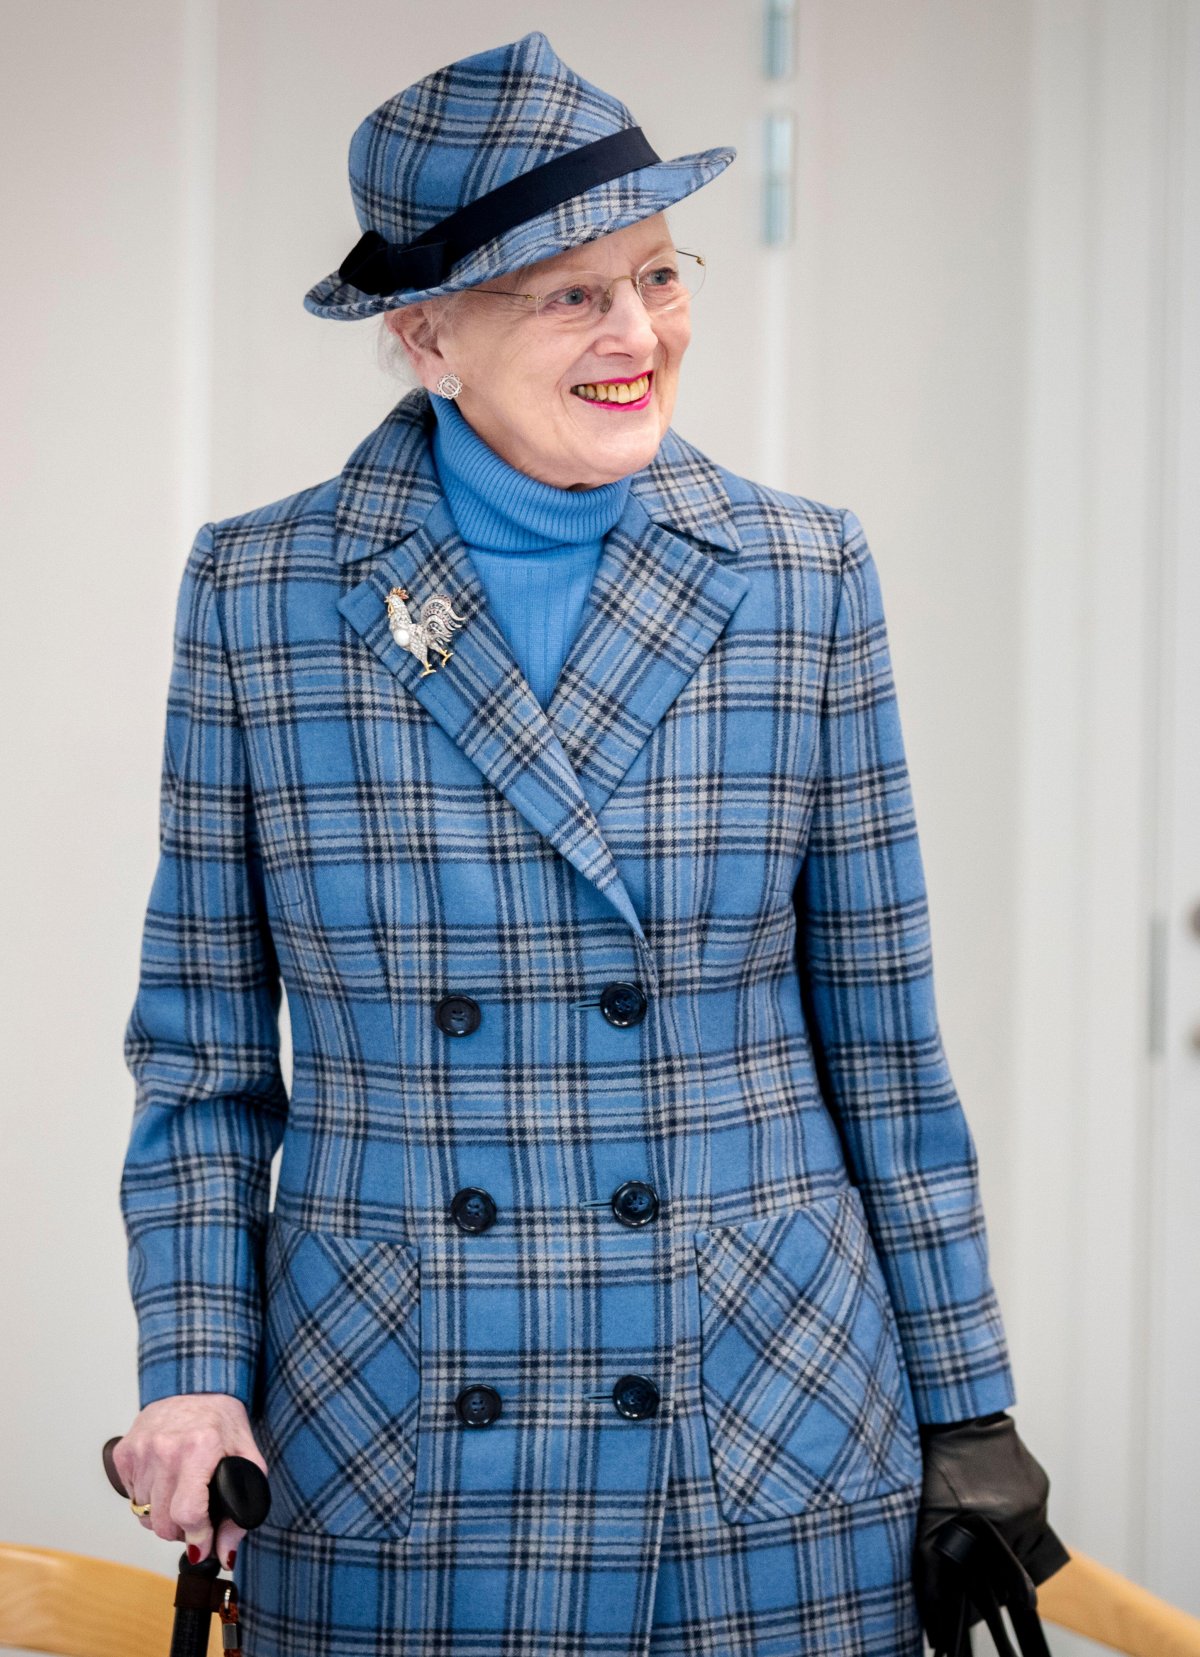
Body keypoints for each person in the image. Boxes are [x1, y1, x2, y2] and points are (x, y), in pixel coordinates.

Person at [112, 30, 1067, 1657]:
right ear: (427, 335)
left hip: (757, 1413)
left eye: (657, 275)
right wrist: (193, 1370)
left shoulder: (799, 575)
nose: (641, 334)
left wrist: (968, 1402)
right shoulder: (264, 595)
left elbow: (886, 1052)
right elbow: (204, 1057)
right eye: (570, 294)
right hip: (396, 1424)